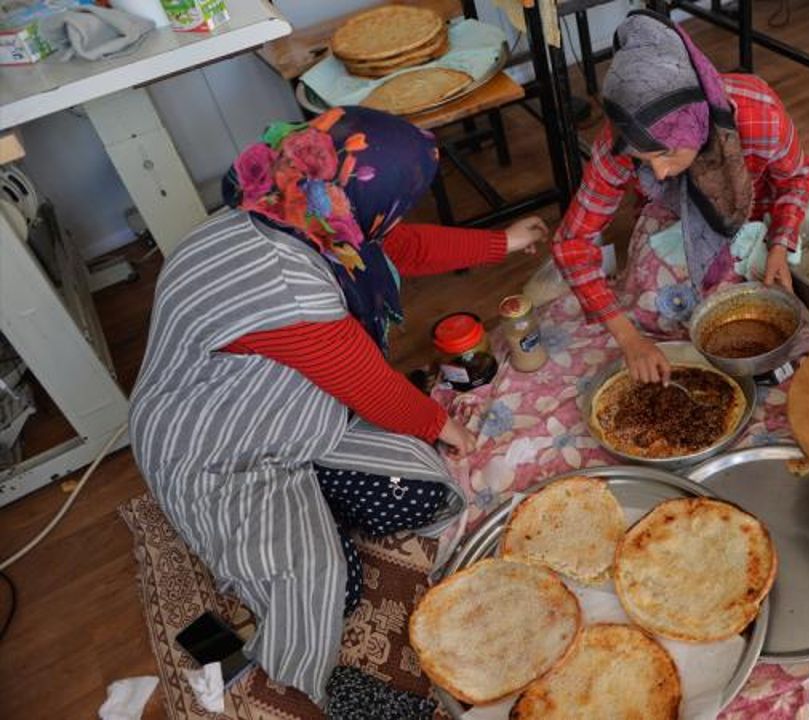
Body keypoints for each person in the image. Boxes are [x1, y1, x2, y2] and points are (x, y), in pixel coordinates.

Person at [128, 106, 547, 703]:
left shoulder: (304, 209)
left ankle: (311, 506)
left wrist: (502, 241)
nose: (401, 218)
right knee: (326, 586)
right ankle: (273, 688)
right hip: (219, 450)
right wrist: (439, 424)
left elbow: (399, 246)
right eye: (404, 202)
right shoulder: (288, 285)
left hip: (289, 415)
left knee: (428, 488)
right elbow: (368, 386)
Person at [551, 10, 809, 384]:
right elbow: (572, 241)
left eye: (665, 154)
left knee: (772, 311)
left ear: (694, 123)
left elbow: (798, 179)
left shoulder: (759, 113)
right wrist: (629, 339)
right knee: (659, 305)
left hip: (755, 217)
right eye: (646, 161)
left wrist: (779, 246)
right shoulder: (617, 143)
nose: (659, 172)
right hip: (669, 215)